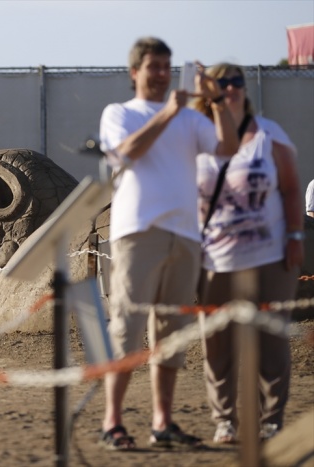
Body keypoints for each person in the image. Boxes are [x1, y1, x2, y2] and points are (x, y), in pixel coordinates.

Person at [98, 37, 239, 450]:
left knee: (171, 334)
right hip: (137, 233)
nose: (161, 73)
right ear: (134, 72)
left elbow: (228, 148)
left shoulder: (191, 119)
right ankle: (113, 422)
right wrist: (171, 112)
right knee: (126, 330)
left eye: (166, 65)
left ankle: (162, 422)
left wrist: (214, 104)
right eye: (153, 66)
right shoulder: (119, 113)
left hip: (186, 235)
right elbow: (125, 153)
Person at [192, 63, 304, 444]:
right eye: (222, 83)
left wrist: (294, 237)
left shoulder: (269, 133)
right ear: (209, 91)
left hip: (269, 255)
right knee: (217, 343)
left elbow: (291, 188)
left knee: (270, 340)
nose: (231, 88)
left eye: (237, 81)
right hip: (215, 258)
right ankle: (225, 420)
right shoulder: (197, 139)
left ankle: (270, 419)